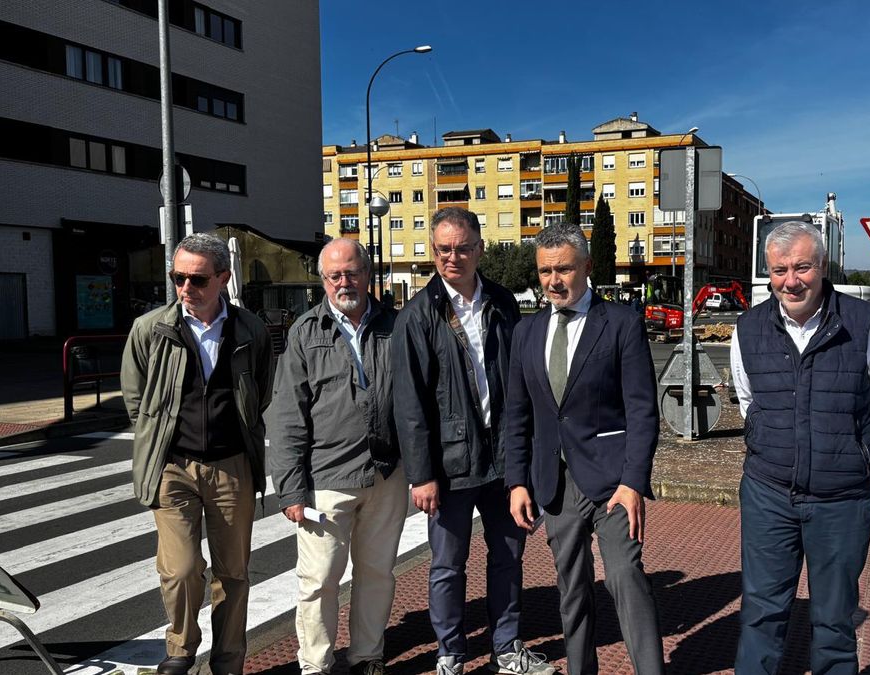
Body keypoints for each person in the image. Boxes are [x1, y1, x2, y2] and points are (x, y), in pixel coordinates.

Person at [729, 221, 870, 674]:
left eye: (802, 267)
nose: (791, 280)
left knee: (833, 621)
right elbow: (749, 403)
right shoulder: (747, 329)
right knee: (761, 614)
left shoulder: (864, 324)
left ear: (822, 267)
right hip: (769, 495)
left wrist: (848, 451)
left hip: (842, 500)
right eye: (779, 270)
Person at [392, 207, 555, 675]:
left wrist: (528, 460)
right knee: (447, 565)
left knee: (508, 558)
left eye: (462, 247)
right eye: (443, 249)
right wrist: (422, 475)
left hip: (504, 462)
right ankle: (451, 653)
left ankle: (507, 647)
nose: (452, 257)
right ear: (432, 252)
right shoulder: (418, 316)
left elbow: (525, 383)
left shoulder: (503, 302)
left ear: (480, 249)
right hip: (450, 465)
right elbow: (411, 404)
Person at [505, 224, 664, 675]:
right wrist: (517, 481)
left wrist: (634, 482)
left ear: (587, 268)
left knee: (624, 577)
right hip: (554, 482)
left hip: (614, 480)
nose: (554, 280)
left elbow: (641, 411)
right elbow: (518, 415)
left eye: (564, 269)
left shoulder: (621, 324)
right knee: (571, 588)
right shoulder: (526, 332)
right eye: (545, 271)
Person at [120, 233, 273, 675]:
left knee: (233, 573)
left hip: (231, 466)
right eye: (178, 278)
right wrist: (160, 438)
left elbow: (260, 393)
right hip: (173, 467)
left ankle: (228, 661)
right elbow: (136, 399)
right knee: (182, 569)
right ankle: (180, 650)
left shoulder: (250, 330)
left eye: (198, 279)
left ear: (223, 278)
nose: (186, 288)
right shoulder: (150, 329)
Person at [269, 238, 408, 675]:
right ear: (323, 280)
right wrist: (290, 489)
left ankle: (367, 655)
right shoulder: (305, 332)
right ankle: (316, 664)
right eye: (334, 275)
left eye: (351, 272)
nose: (343, 282)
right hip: (325, 479)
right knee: (319, 580)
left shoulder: (397, 325)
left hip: (386, 474)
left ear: (368, 274)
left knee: (378, 573)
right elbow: (287, 414)